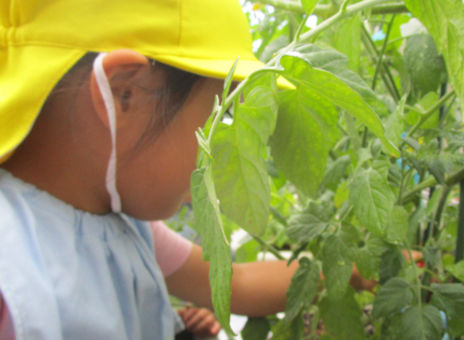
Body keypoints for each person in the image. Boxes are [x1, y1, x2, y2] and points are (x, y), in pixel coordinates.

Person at [0, 0, 375, 339]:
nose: (215, 155)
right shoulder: (11, 285)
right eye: (215, 117)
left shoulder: (125, 224)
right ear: (123, 94)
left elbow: (236, 283)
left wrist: (351, 270)